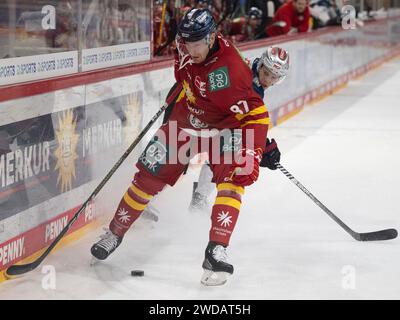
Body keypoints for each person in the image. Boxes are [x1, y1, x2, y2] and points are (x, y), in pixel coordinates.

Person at [91, 8, 276, 286]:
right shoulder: (185, 45)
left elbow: (255, 114)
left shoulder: (230, 74)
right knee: (146, 179)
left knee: (235, 178)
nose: (191, 48)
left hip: (224, 129)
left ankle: (216, 249)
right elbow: (187, 74)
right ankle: (114, 234)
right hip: (187, 120)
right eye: (187, 41)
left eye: (197, 42)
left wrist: (258, 147)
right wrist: (181, 90)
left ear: (212, 37)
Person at [189, 46, 289, 211]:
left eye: (274, 77)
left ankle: (198, 198)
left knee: (217, 153)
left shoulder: (253, 74)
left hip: (214, 114)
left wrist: (261, 144)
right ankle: (197, 199)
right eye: (266, 73)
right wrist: (261, 146)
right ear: (261, 65)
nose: (268, 80)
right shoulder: (250, 84)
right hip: (204, 112)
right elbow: (244, 118)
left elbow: (245, 117)